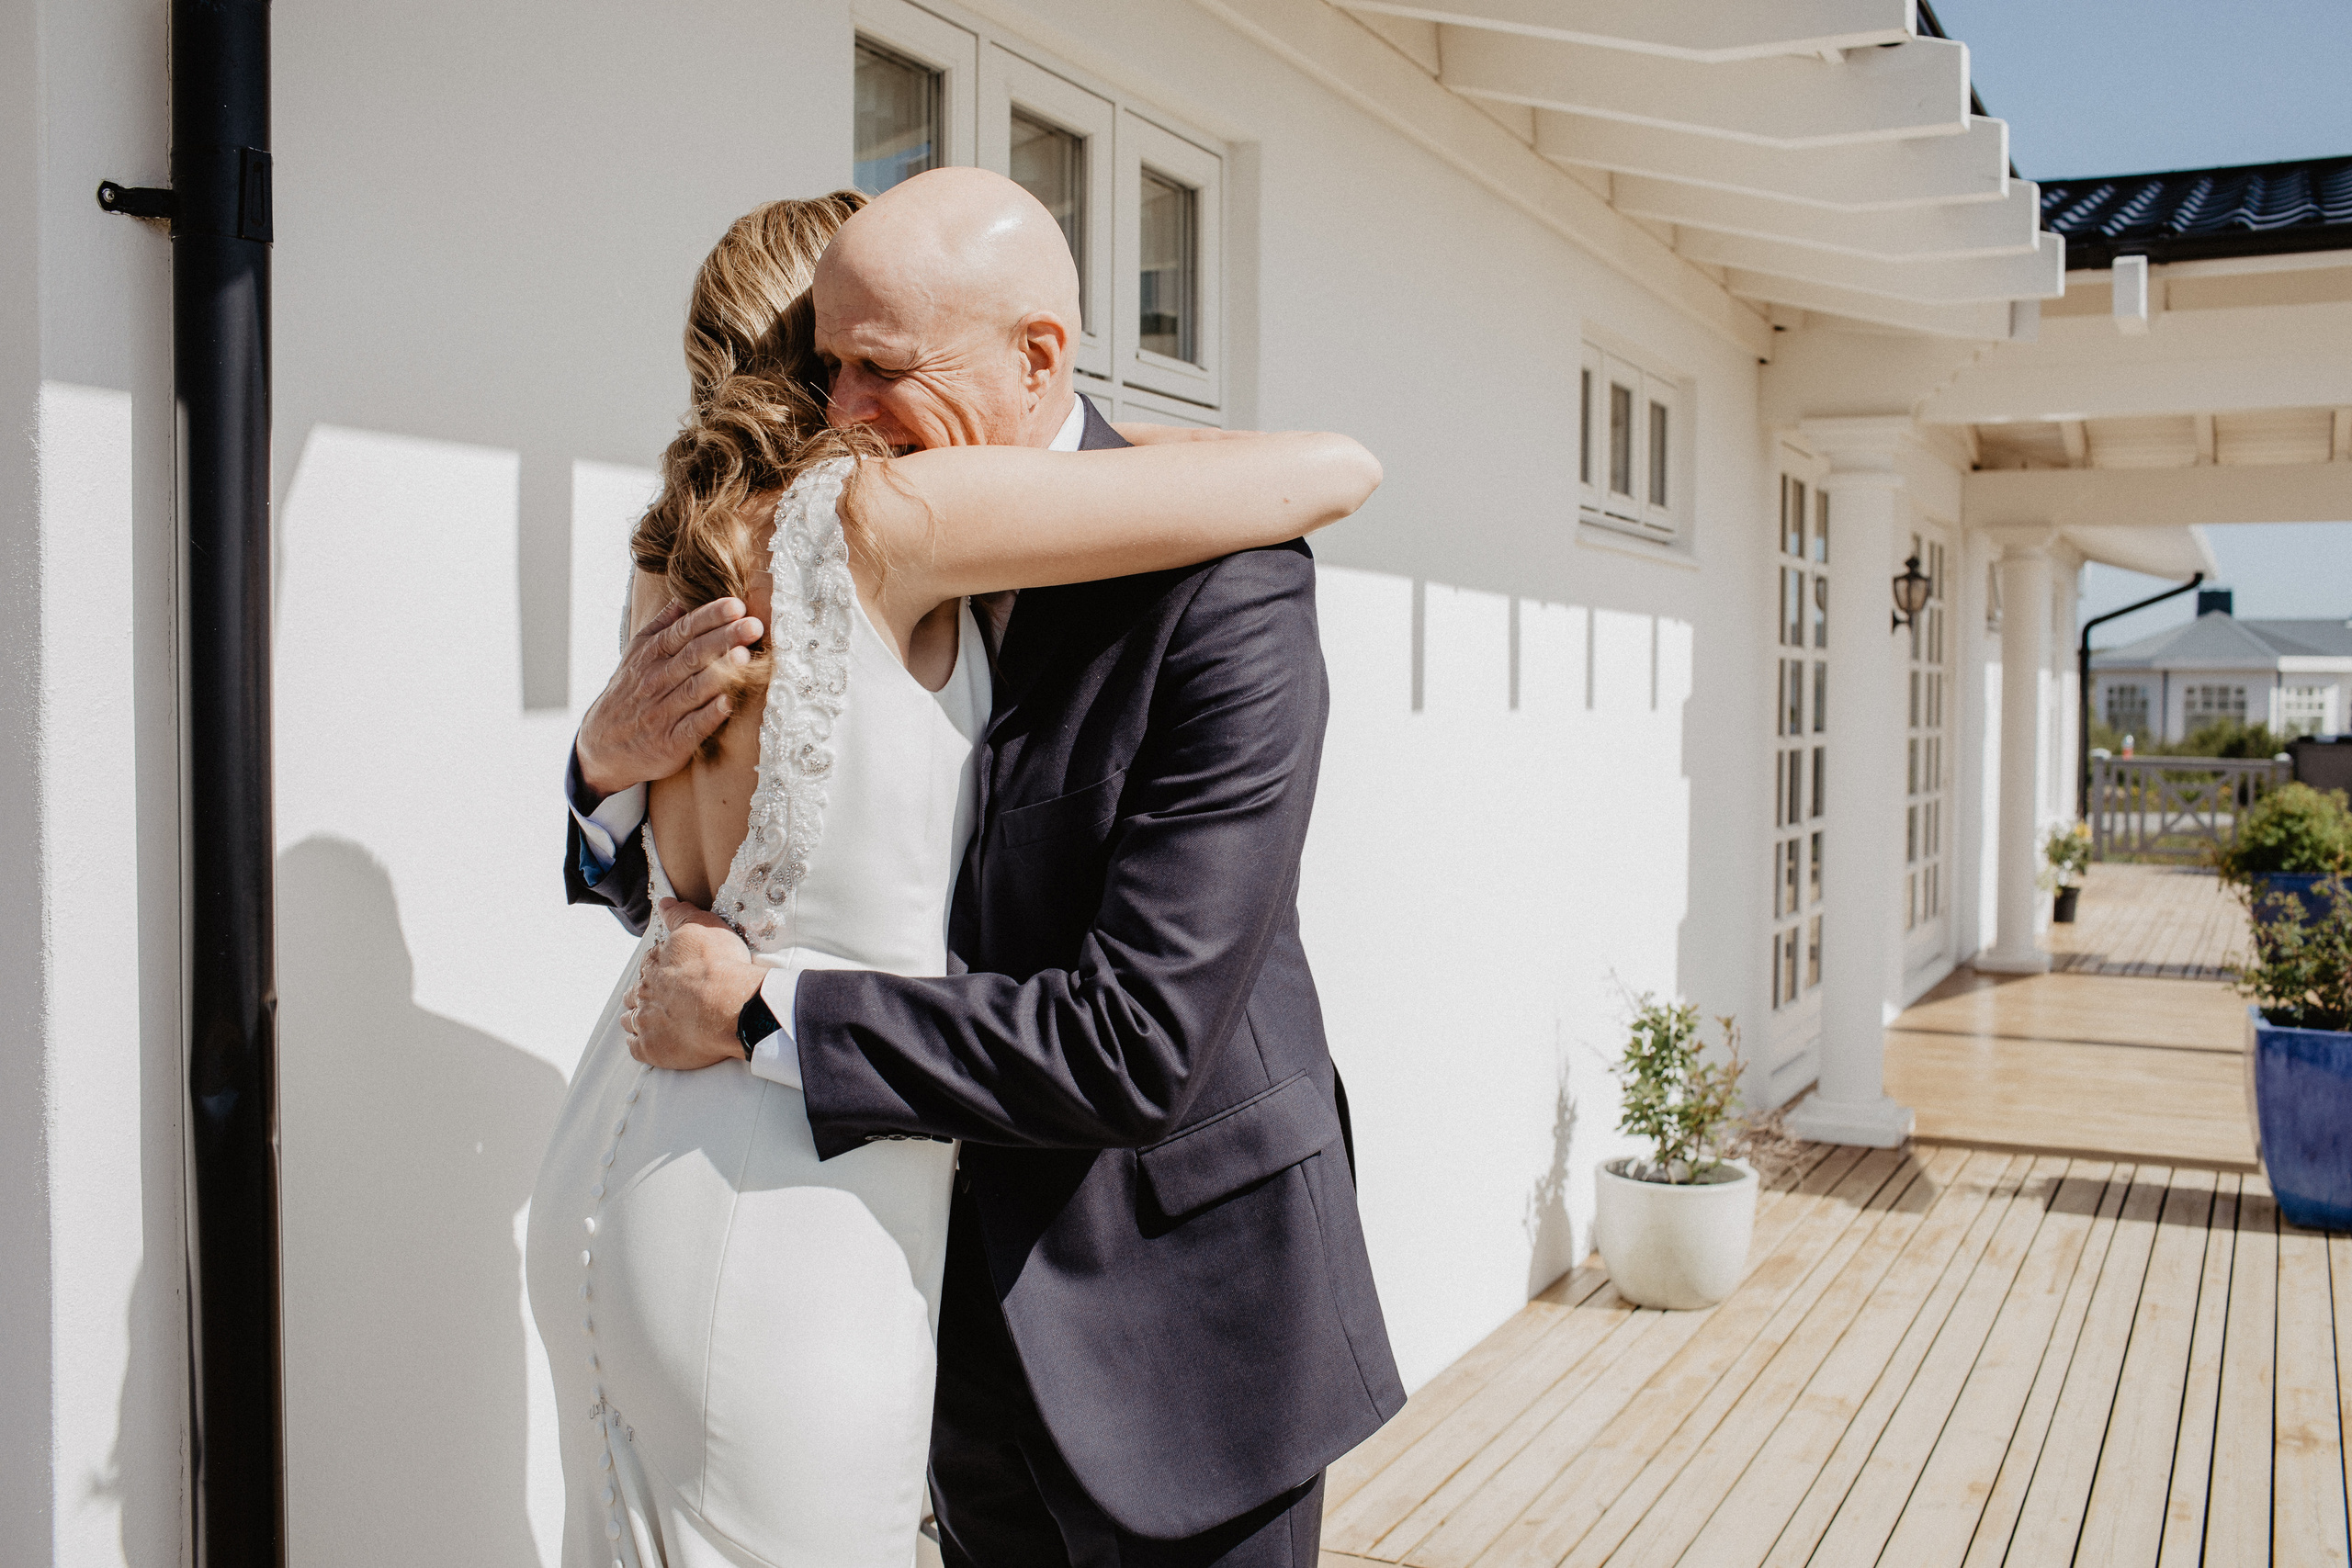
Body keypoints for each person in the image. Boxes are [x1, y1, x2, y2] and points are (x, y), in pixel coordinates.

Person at [530, 170, 1391, 1568]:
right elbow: (724, 882)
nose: (851, 416)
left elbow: (1138, 1039)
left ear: (1039, 354)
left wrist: (763, 1014)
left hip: (1174, 1326)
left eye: (881, 369)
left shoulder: (1222, 583)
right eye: (828, 369)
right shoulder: (836, 533)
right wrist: (596, 773)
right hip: (915, 1298)